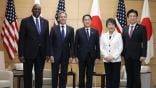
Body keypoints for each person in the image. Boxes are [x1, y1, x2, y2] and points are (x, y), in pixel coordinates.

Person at [18, 4, 49, 88]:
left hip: (41, 54)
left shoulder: (45, 22)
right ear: (32, 10)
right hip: (28, 54)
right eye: (35, 9)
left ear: (41, 11)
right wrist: (21, 54)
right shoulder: (25, 21)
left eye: (39, 9)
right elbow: (21, 39)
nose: (37, 10)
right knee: (27, 75)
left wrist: (47, 53)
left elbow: (47, 39)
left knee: (39, 75)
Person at [122, 9, 147, 88]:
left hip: (137, 57)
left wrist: (143, 55)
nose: (132, 18)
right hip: (127, 56)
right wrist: (122, 54)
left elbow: (145, 42)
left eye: (134, 16)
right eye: (130, 16)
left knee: (136, 76)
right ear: (128, 18)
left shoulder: (142, 28)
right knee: (129, 76)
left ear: (136, 17)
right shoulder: (125, 28)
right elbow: (123, 42)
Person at [49, 11, 74, 88]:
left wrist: (71, 56)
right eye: (61, 17)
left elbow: (72, 44)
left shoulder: (71, 29)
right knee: (54, 74)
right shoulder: (53, 29)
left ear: (66, 18)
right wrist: (51, 55)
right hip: (55, 56)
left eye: (64, 17)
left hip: (66, 56)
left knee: (64, 75)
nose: (62, 18)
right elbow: (50, 43)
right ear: (58, 18)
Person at [74, 14, 100, 88]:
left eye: (88, 19)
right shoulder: (79, 31)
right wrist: (75, 56)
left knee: (89, 76)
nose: (87, 21)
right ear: (83, 21)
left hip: (91, 57)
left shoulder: (95, 31)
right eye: (85, 20)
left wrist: (97, 57)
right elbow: (76, 44)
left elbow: (97, 45)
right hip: (81, 57)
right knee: (81, 75)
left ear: (91, 21)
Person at [100, 18, 123, 88]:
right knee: (108, 77)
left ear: (115, 26)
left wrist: (113, 56)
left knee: (115, 78)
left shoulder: (118, 35)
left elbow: (120, 48)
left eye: (112, 24)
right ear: (107, 26)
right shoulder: (103, 35)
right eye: (109, 24)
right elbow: (101, 47)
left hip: (116, 60)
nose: (111, 26)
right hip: (106, 60)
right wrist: (106, 56)